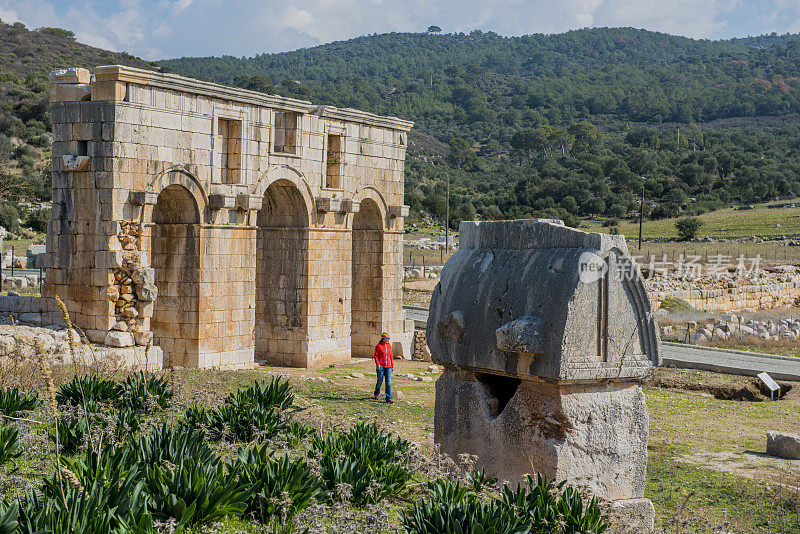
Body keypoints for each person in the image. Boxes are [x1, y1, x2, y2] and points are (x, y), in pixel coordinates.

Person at [373, 332, 393, 403]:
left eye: (388, 338)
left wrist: (392, 366)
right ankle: (376, 393)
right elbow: (375, 356)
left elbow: (391, 356)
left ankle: (388, 398)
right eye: (386, 338)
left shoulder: (389, 346)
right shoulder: (378, 346)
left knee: (388, 383)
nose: (388, 340)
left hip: (388, 367)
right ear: (383, 339)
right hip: (381, 367)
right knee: (379, 381)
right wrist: (378, 364)